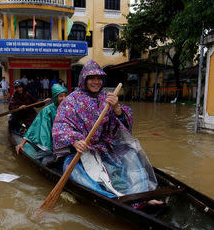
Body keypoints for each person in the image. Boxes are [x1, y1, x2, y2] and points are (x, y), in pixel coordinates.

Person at [52, 60, 160, 205]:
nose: (96, 82)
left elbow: (123, 124)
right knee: (76, 174)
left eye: (99, 78)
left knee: (131, 154)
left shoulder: (107, 98)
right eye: (92, 78)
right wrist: (76, 141)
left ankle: (140, 196)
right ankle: (115, 200)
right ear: (84, 79)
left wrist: (116, 108)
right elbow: (60, 127)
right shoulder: (71, 101)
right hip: (80, 152)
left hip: (104, 148)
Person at [15, 84, 68, 164]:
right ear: (55, 97)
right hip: (50, 139)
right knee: (47, 152)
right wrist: (22, 144)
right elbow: (34, 126)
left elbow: (36, 103)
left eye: (65, 96)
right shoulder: (47, 110)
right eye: (61, 96)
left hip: (64, 139)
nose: (64, 99)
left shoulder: (69, 108)